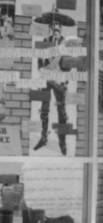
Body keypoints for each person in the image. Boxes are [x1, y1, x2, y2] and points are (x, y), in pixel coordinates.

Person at [34, 21, 68, 155]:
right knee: (44, 109)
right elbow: (39, 58)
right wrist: (41, 69)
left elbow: (69, 62)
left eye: (58, 25)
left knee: (62, 112)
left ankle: (62, 141)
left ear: (61, 27)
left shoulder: (65, 43)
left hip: (59, 80)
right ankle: (43, 137)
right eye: (53, 25)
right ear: (50, 28)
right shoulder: (45, 41)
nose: (56, 28)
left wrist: (64, 79)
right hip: (47, 80)